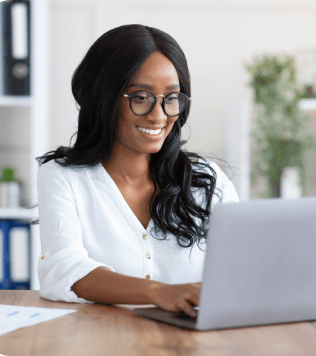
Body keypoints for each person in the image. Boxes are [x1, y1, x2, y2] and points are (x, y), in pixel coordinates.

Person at [34, 24, 239, 318]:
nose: (159, 115)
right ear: (104, 98)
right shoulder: (64, 177)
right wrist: (159, 292)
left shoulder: (207, 180)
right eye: (141, 97)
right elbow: (62, 270)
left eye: (171, 98)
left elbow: (244, 268)